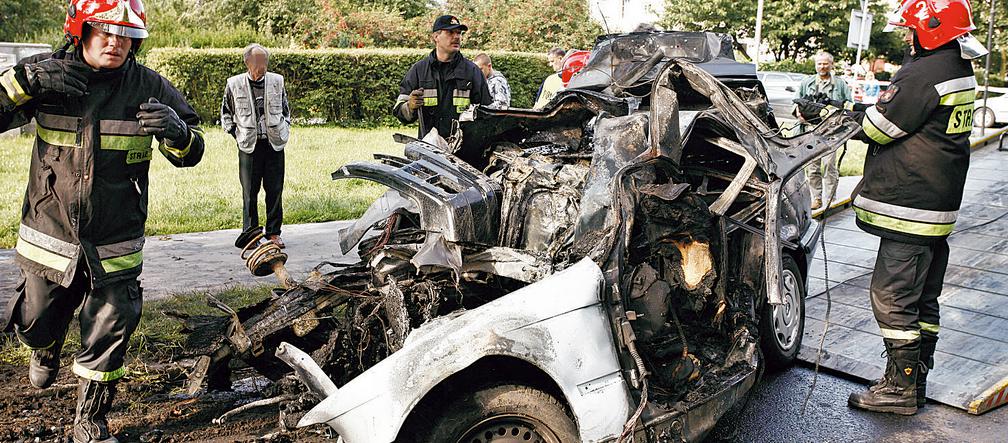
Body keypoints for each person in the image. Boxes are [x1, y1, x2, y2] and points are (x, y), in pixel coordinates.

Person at [0, 0, 205, 441]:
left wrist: (179, 133)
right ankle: (44, 346)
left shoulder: (150, 87)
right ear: (81, 30)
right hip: (49, 234)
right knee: (35, 320)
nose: (115, 42)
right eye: (105, 31)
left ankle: (89, 423)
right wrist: (24, 82)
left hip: (116, 239)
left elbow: (192, 152)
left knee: (112, 326)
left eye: (126, 35)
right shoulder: (45, 73)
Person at [795, 0, 985, 416]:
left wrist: (836, 112)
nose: (906, 37)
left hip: (911, 208)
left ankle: (898, 390)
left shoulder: (924, 73)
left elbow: (880, 129)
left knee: (892, 297)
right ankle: (915, 382)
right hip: (937, 208)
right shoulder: (956, 69)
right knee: (922, 302)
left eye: (909, 31)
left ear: (929, 30)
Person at [221, 43, 291, 248]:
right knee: (250, 192)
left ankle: (273, 234)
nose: (263, 66)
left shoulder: (277, 81)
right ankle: (251, 234)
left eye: (265, 61)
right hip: (248, 146)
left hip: (274, 144)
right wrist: (236, 134)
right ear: (248, 62)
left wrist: (284, 129)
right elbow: (226, 113)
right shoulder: (234, 84)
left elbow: (286, 110)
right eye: (258, 62)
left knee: (275, 190)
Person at [393, 15, 491, 140]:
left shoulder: (472, 72)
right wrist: (410, 106)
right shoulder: (419, 70)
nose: (457, 37)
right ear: (436, 37)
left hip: (464, 151)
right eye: (450, 32)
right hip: (429, 151)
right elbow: (399, 111)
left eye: (459, 33)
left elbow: (488, 115)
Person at [793, 51, 852, 210]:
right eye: (819, 63)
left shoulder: (840, 84)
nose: (822, 66)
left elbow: (849, 105)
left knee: (829, 166)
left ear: (831, 65)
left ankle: (830, 198)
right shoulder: (807, 82)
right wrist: (799, 114)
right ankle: (816, 198)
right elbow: (797, 101)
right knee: (812, 166)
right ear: (815, 65)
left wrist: (839, 115)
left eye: (825, 63)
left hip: (831, 132)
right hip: (811, 130)